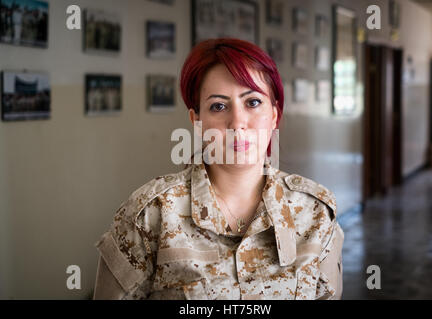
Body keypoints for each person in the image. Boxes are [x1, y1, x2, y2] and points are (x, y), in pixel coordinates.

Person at [93, 38, 344, 300]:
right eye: (219, 106)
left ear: (274, 114)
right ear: (197, 121)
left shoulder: (315, 213)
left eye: (253, 102)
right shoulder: (151, 215)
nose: (237, 123)